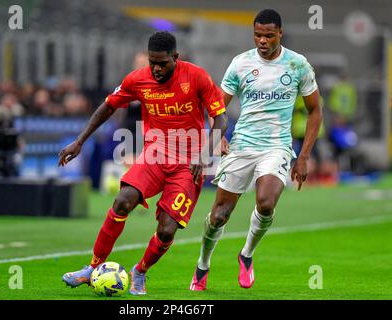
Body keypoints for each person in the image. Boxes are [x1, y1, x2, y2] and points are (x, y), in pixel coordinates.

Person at [59, 31, 228, 295]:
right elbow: (108, 106)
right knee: (122, 200)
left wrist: (205, 152)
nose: (157, 69)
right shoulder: (138, 79)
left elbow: (221, 118)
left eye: (163, 63)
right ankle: (93, 267)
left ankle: (140, 271)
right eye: (152, 63)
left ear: (176, 57)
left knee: (167, 230)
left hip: (188, 164)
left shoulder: (196, 76)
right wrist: (80, 141)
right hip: (154, 156)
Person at [189, 9, 322, 291]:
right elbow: (217, 106)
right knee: (219, 216)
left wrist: (304, 156)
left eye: (268, 35)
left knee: (265, 203)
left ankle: (246, 254)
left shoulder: (298, 65)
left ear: (280, 34)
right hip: (241, 146)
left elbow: (315, 111)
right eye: (258, 35)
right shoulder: (240, 63)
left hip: (277, 147)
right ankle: (202, 264)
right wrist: (217, 137)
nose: (262, 40)